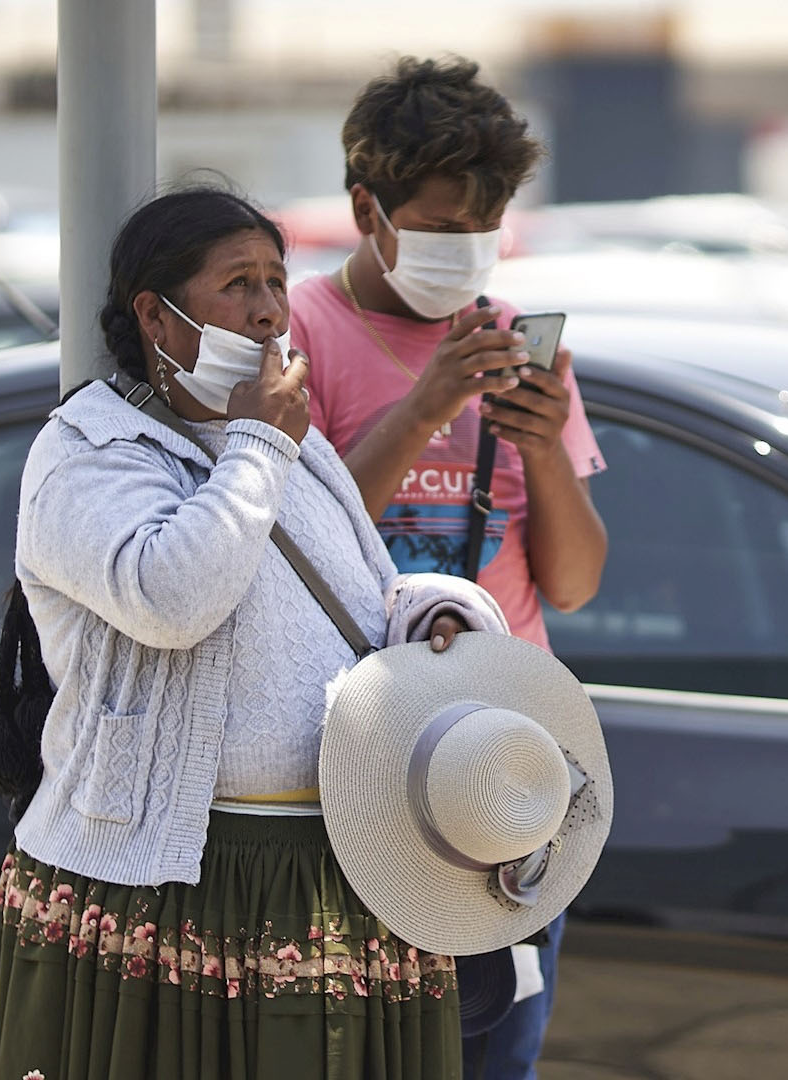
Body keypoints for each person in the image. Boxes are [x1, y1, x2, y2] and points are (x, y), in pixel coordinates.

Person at [0, 185, 507, 1080]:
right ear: (157, 316)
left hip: (341, 871)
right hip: (175, 888)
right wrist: (256, 446)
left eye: (275, 282)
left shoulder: (294, 444)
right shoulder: (90, 453)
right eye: (237, 284)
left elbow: (370, 588)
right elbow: (171, 597)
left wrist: (434, 614)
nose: (265, 310)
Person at [289, 55, 608, 1080]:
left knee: (490, 1057)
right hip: (350, 773)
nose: (463, 253)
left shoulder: (517, 343)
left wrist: (547, 447)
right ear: (365, 209)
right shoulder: (300, 332)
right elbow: (289, 547)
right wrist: (425, 406)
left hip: (497, 771)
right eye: (436, 228)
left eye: (483, 230)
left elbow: (572, 583)